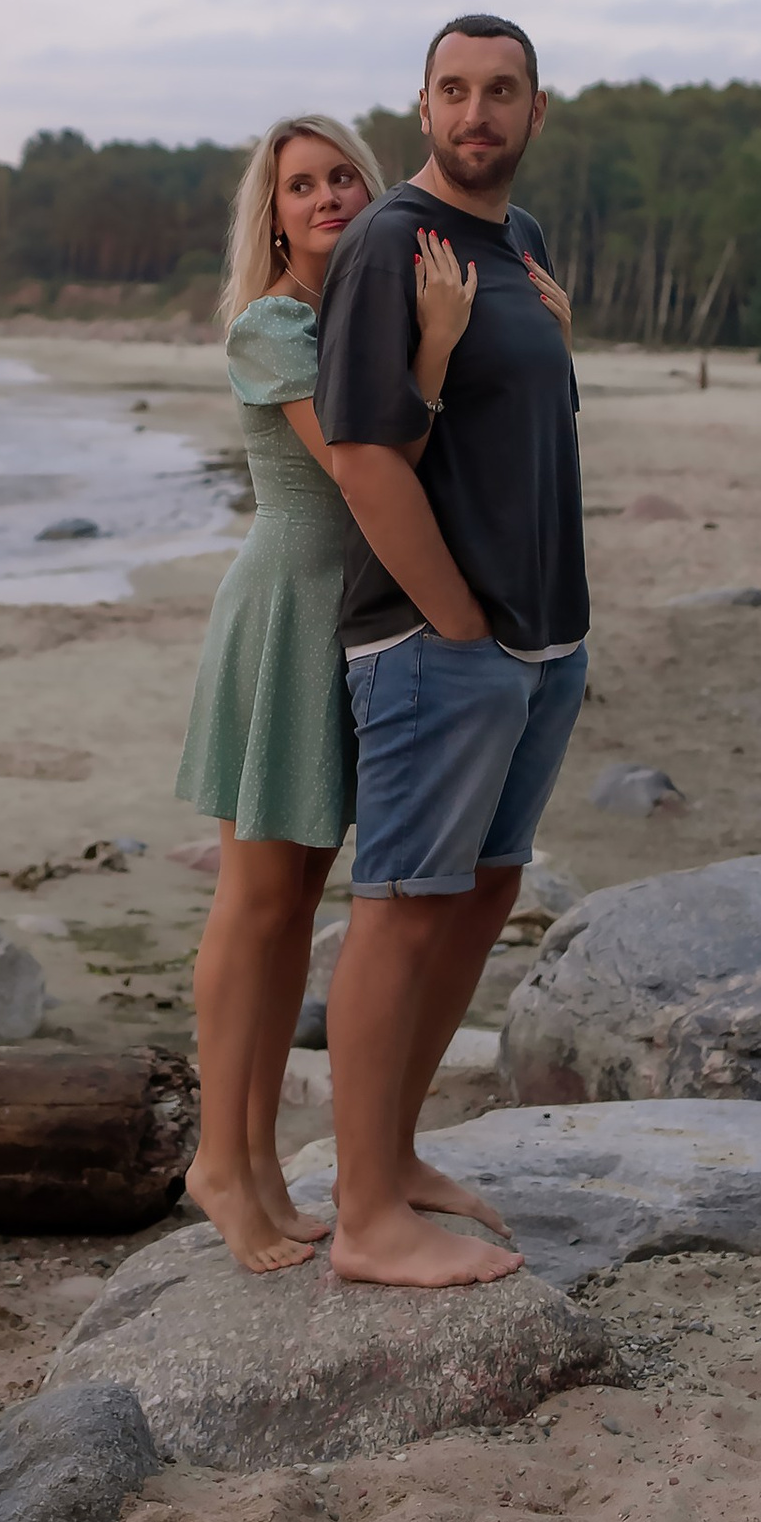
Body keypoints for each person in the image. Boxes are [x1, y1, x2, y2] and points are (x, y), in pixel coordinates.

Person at [175, 113, 478, 1270]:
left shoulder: (358, 312)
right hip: (283, 613)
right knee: (254, 904)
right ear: (273, 212)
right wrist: (436, 352)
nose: (326, 197)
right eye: (299, 184)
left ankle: (255, 1162)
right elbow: (367, 456)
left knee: (296, 908)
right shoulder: (272, 324)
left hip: (344, 617)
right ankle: (222, 1162)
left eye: (343, 174)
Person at [313, 17, 587, 1287]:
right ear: (421, 109)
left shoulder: (518, 245)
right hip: (441, 641)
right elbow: (364, 455)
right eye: (454, 91)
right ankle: (364, 1217)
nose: (478, 112)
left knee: (481, 894)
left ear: (538, 112)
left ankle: (398, 1152)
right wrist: (455, 622)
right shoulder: (387, 243)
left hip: (543, 637)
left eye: (502, 91)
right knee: (404, 909)